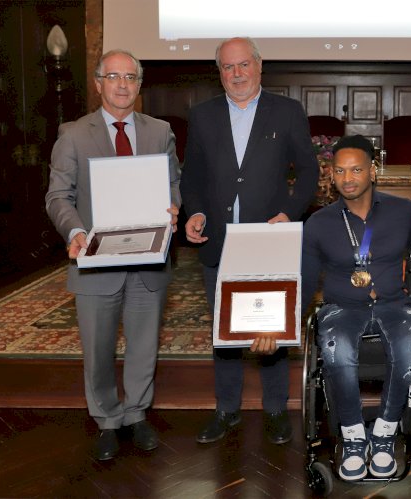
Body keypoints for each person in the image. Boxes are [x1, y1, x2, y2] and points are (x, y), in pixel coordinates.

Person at [179, 37, 318, 445]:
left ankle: (275, 411)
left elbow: (308, 172)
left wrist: (290, 213)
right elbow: (192, 177)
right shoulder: (202, 115)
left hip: (267, 241)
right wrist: (197, 212)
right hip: (218, 242)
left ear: (259, 67)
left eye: (243, 65)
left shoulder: (288, 111)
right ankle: (227, 410)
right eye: (227, 67)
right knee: (225, 333)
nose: (236, 74)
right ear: (218, 72)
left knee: (269, 329)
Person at [45, 49, 181, 461]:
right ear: (99, 83)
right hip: (94, 263)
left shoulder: (160, 131)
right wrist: (77, 231)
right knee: (98, 348)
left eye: (131, 77)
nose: (123, 85)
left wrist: (173, 208)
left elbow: (173, 184)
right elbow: (57, 196)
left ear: (140, 85)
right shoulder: (73, 134)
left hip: (147, 262)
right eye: (114, 77)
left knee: (143, 345)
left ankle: (137, 414)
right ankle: (106, 418)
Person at [302, 135, 411, 480]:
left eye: (356, 169)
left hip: (394, 304)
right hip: (342, 306)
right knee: (335, 350)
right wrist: (287, 321)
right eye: (340, 171)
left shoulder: (403, 213)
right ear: (331, 174)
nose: (347, 178)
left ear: (373, 171)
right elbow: (306, 278)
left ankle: (384, 432)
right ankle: (353, 435)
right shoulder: (319, 223)